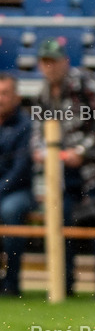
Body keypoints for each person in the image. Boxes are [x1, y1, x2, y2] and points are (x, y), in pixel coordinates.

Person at [33, 40, 95, 299]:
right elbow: (38, 131)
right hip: (62, 172)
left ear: (65, 62)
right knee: (60, 223)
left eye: (53, 61)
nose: (48, 67)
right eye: (44, 62)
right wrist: (40, 152)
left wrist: (82, 152)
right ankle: (65, 286)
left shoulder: (86, 85)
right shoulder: (43, 94)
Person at [0, 73, 33, 297]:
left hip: (18, 190)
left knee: (10, 210)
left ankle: (12, 281)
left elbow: (20, 171)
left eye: (4, 93)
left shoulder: (26, 127)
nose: (0, 98)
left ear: (17, 97)